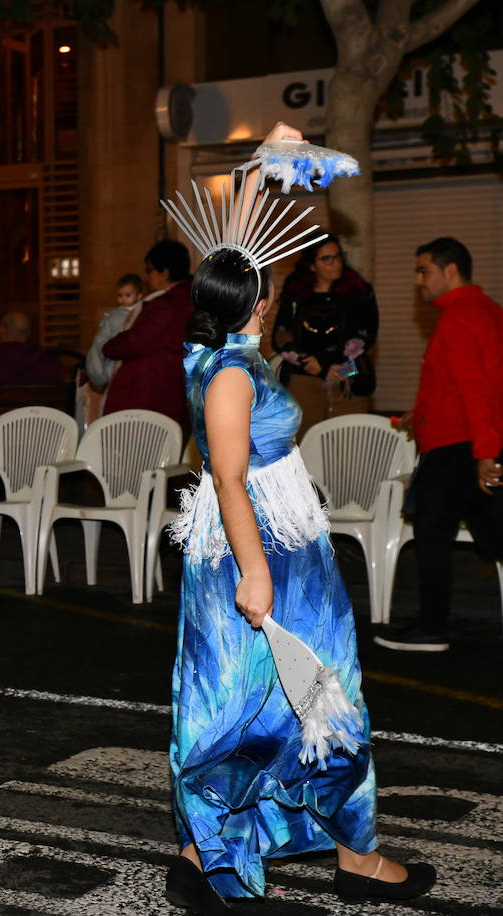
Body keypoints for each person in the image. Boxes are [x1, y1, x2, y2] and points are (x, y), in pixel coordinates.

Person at [163, 122, 435, 913]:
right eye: (268, 282)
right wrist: (255, 570)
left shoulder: (219, 351)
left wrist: (261, 163)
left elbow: (239, 245)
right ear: (253, 300)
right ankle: (350, 854)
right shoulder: (228, 379)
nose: (278, 284)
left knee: (248, 699)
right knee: (299, 694)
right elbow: (230, 479)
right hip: (262, 552)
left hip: (280, 541)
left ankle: (200, 855)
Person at [374, 237, 503, 653]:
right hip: (468, 440)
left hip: (458, 448)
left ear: (450, 271)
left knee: (431, 531)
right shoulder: (487, 311)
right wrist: (423, 414)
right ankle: (431, 625)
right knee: (492, 533)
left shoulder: (459, 317)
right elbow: (464, 385)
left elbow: (475, 390)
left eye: (423, 271)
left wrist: (485, 453)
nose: (417, 281)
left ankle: (432, 627)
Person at [273, 236, 378, 436]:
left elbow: (366, 335)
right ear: (312, 265)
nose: (336, 263)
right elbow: (281, 337)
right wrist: (308, 362)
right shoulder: (295, 293)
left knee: (347, 444)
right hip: (305, 377)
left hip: (347, 374)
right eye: (327, 259)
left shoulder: (359, 291)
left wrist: (326, 363)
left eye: (338, 256)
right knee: (307, 443)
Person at [101, 241, 194, 426]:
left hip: (153, 388)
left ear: (164, 272)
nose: (146, 276)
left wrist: (108, 346)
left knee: (139, 447)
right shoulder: (193, 296)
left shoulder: (168, 304)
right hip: (175, 384)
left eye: (149, 269)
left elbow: (136, 341)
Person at [78, 273, 144, 424]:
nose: (122, 300)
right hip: (114, 367)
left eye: (127, 295)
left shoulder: (145, 313)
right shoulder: (114, 317)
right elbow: (101, 344)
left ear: (139, 294)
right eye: (120, 295)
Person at [0, 310, 62, 387]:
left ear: (4, 330)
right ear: (28, 332)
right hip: (39, 404)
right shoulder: (47, 360)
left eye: (0, 326)